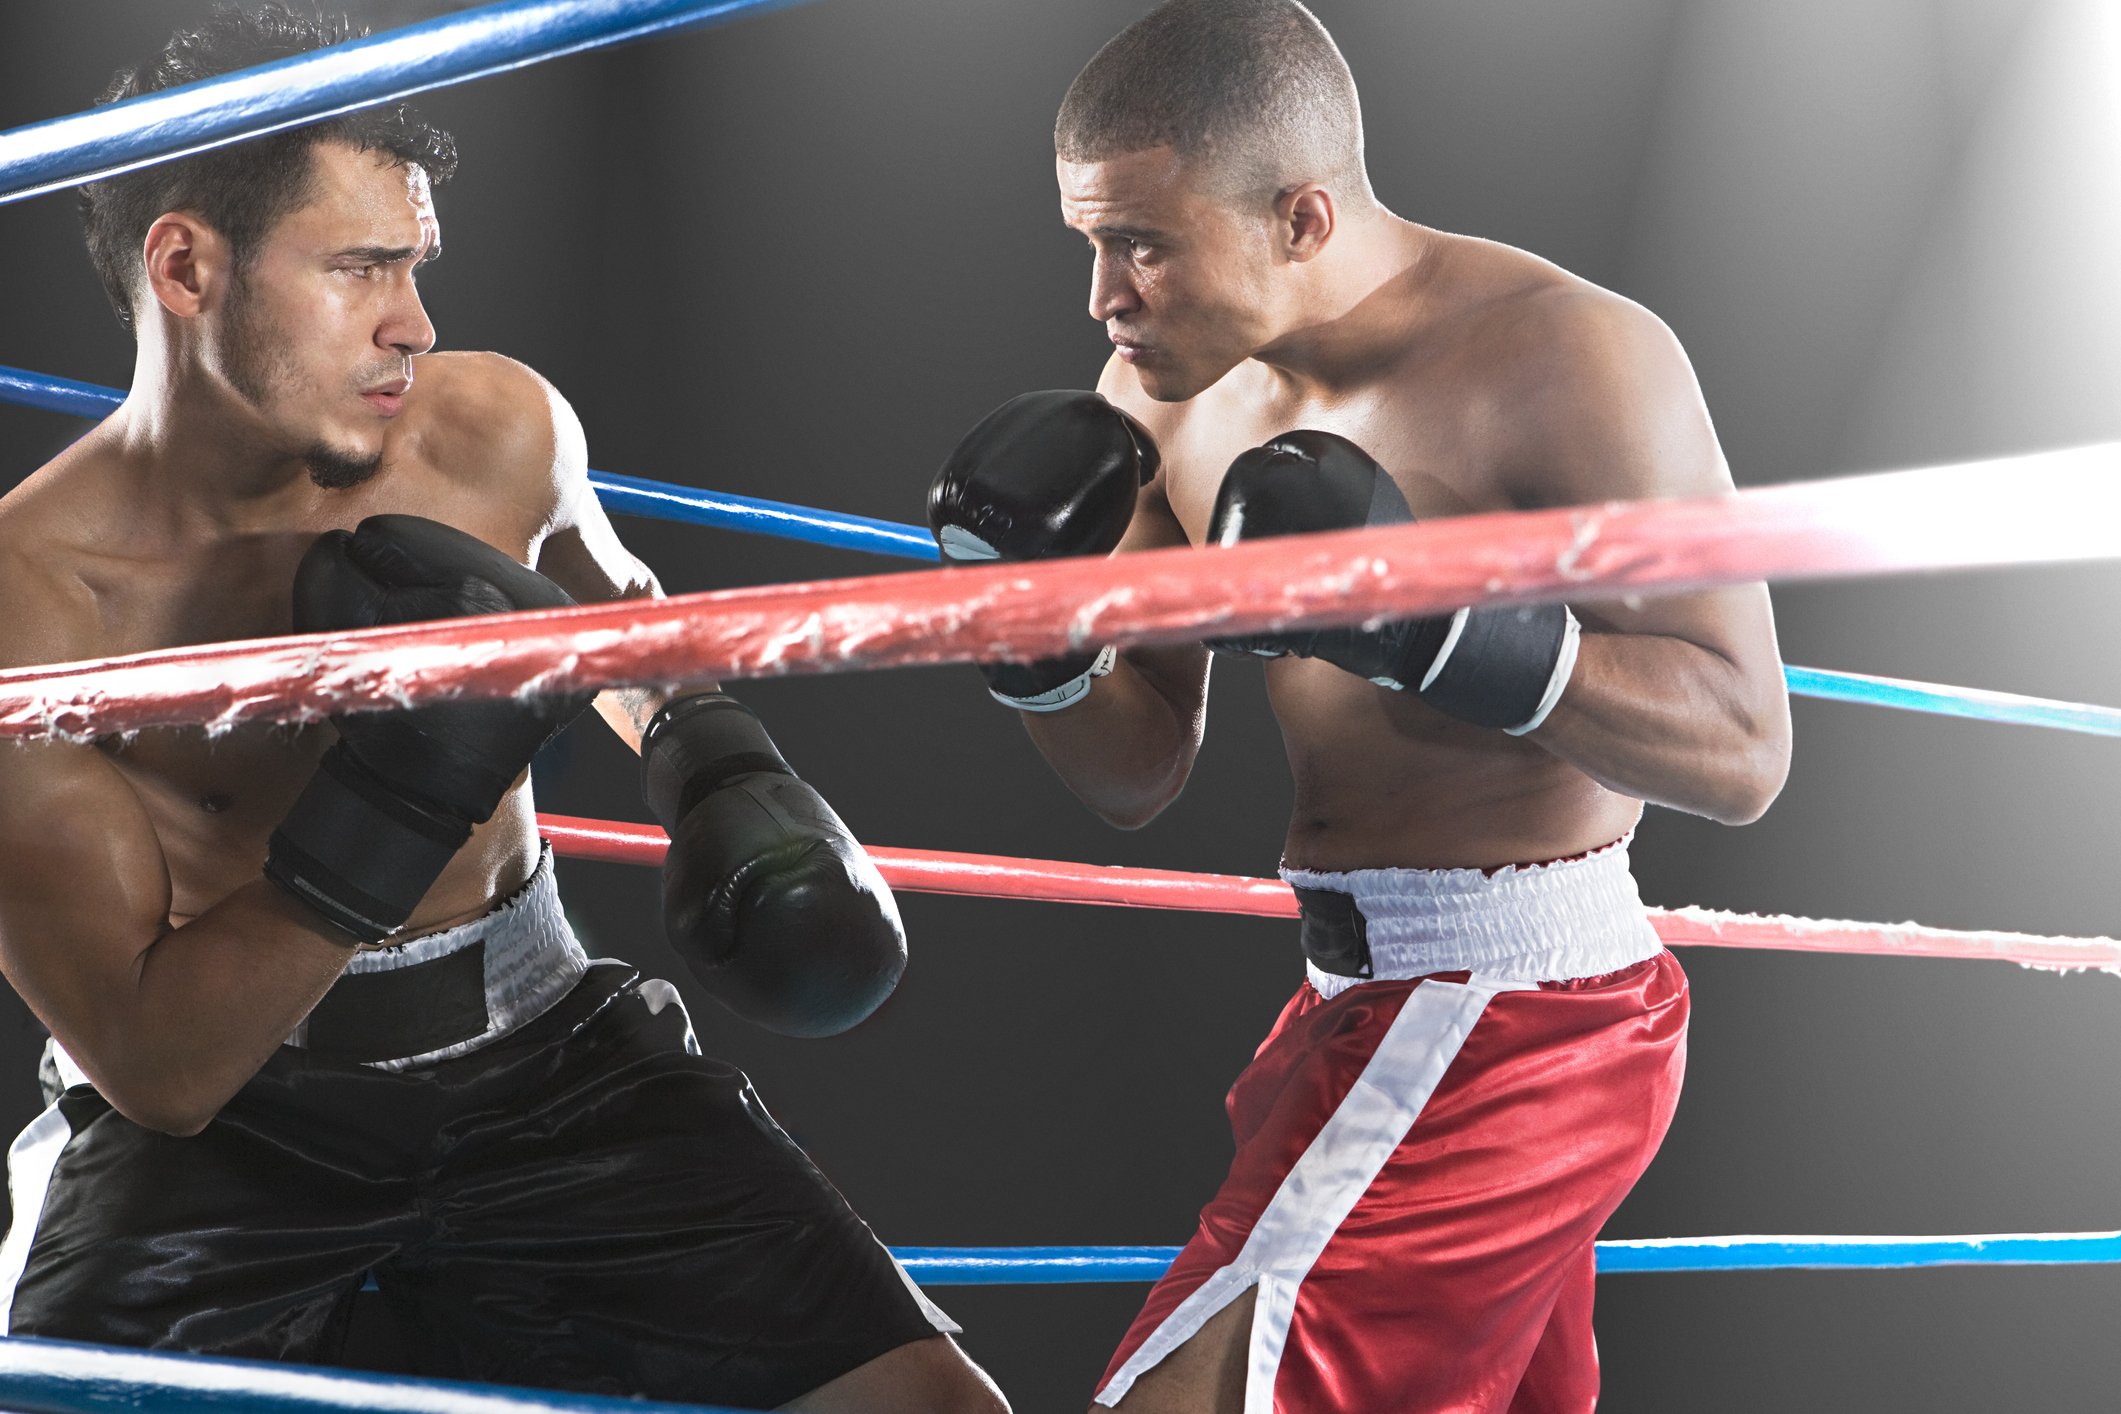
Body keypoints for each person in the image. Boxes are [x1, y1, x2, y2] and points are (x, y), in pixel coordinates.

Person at [0, 8, 1006, 1412]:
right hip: (233, 1125)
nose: (414, 323)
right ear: (185, 267)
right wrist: (406, 789)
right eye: (360, 268)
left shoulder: (495, 431)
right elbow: (162, 1066)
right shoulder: (35, 609)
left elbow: (618, 622)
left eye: (414, 265)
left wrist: (718, 765)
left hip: (551, 1063)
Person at [928, 1, 1792, 1409]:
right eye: (1089, 243)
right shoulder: (1158, 399)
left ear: (1302, 219)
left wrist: (1446, 631)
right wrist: (1031, 644)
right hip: (1348, 997)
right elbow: (1136, 771)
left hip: (1514, 1014)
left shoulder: (1566, 357)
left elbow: (1742, 746)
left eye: (1141, 244)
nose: (1103, 298)